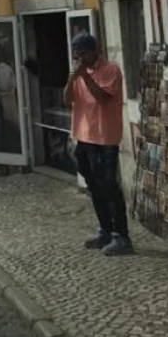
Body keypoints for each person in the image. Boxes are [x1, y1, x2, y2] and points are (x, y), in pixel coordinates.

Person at [63, 32, 132, 256]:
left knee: (109, 186)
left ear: (94, 51)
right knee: (94, 187)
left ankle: (122, 236)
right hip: (84, 136)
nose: (80, 57)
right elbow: (67, 101)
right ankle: (105, 229)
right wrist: (71, 79)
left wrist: (85, 77)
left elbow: (103, 98)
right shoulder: (79, 74)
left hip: (105, 138)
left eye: (83, 53)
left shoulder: (111, 70)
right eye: (77, 54)